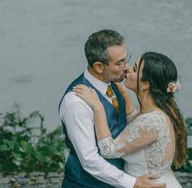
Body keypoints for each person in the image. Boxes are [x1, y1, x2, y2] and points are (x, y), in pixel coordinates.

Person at [59, 30, 166, 188]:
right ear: (99, 66)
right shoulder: (76, 103)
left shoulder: (115, 84)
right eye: (119, 63)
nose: (126, 68)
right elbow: (89, 159)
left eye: (126, 59)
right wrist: (132, 182)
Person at [73, 52, 186, 188]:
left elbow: (108, 150)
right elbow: (134, 120)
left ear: (145, 84)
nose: (127, 68)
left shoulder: (151, 121)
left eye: (134, 69)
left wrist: (98, 107)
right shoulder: (159, 111)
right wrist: (123, 89)